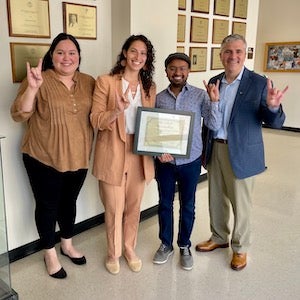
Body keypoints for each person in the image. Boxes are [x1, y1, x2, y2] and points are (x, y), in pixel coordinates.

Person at [195, 34, 288, 271]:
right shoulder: (214, 81)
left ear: (244, 54)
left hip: (243, 152)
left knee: (241, 204)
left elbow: (274, 122)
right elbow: (209, 119)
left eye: (238, 51)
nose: (233, 56)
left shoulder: (258, 83)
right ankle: (218, 237)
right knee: (216, 198)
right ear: (221, 55)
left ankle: (240, 248)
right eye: (228, 51)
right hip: (215, 147)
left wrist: (274, 107)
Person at [11, 33, 95, 279]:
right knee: (47, 206)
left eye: (72, 53)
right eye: (60, 52)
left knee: (69, 202)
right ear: (51, 56)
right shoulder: (38, 79)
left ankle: (67, 245)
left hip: (78, 156)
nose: (66, 58)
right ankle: (50, 254)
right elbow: (20, 114)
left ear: (79, 57)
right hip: (42, 156)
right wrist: (33, 89)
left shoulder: (89, 81)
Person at [90, 34, 156, 275]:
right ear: (124, 54)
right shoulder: (106, 82)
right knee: (114, 207)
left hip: (140, 152)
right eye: (133, 51)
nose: (137, 57)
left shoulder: (149, 88)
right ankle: (113, 252)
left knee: (133, 206)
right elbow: (95, 120)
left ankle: (129, 248)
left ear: (147, 60)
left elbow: (152, 124)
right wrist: (116, 111)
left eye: (143, 54)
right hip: (112, 151)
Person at [152, 53, 222, 271]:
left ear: (188, 71)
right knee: (164, 204)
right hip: (165, 162)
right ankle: (166, 244)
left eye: (182, 68)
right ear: (166, 72)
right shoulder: (158, 98)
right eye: (172, 68)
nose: (178, 72)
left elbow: (213, 124)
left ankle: (184, 245)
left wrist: (214, 101)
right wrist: (157, 152)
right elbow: (152, 128)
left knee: (188, 206)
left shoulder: (201, 95)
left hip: (190, 160)